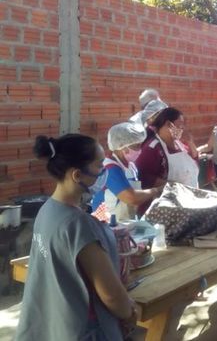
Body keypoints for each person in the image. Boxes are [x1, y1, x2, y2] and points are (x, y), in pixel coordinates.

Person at [16, 134, 136, 340]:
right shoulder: (79, 225)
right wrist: (129, 312)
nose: (104, 172)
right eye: (100, 166)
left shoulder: (48, 209)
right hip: (84, 329)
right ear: (77, 175)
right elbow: (111, 295)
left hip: (55, 324)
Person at [91, 122, 162, 222]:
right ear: (122, 146)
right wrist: (156, 191)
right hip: (105, 222)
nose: (140, 149)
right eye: (136, 146)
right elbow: (131, 198)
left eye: (140, 145)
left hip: (124, 220)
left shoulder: (131, 167)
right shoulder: (110, 169)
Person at [136, 107, 199, 215]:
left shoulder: (179, 144)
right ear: (168, 125)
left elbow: (194, 161)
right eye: (179, 125)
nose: (182, 128)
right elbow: (144, 178)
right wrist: (176, 187)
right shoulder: (152, 149)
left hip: (188, 201)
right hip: (165, 209)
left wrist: (191, 142)